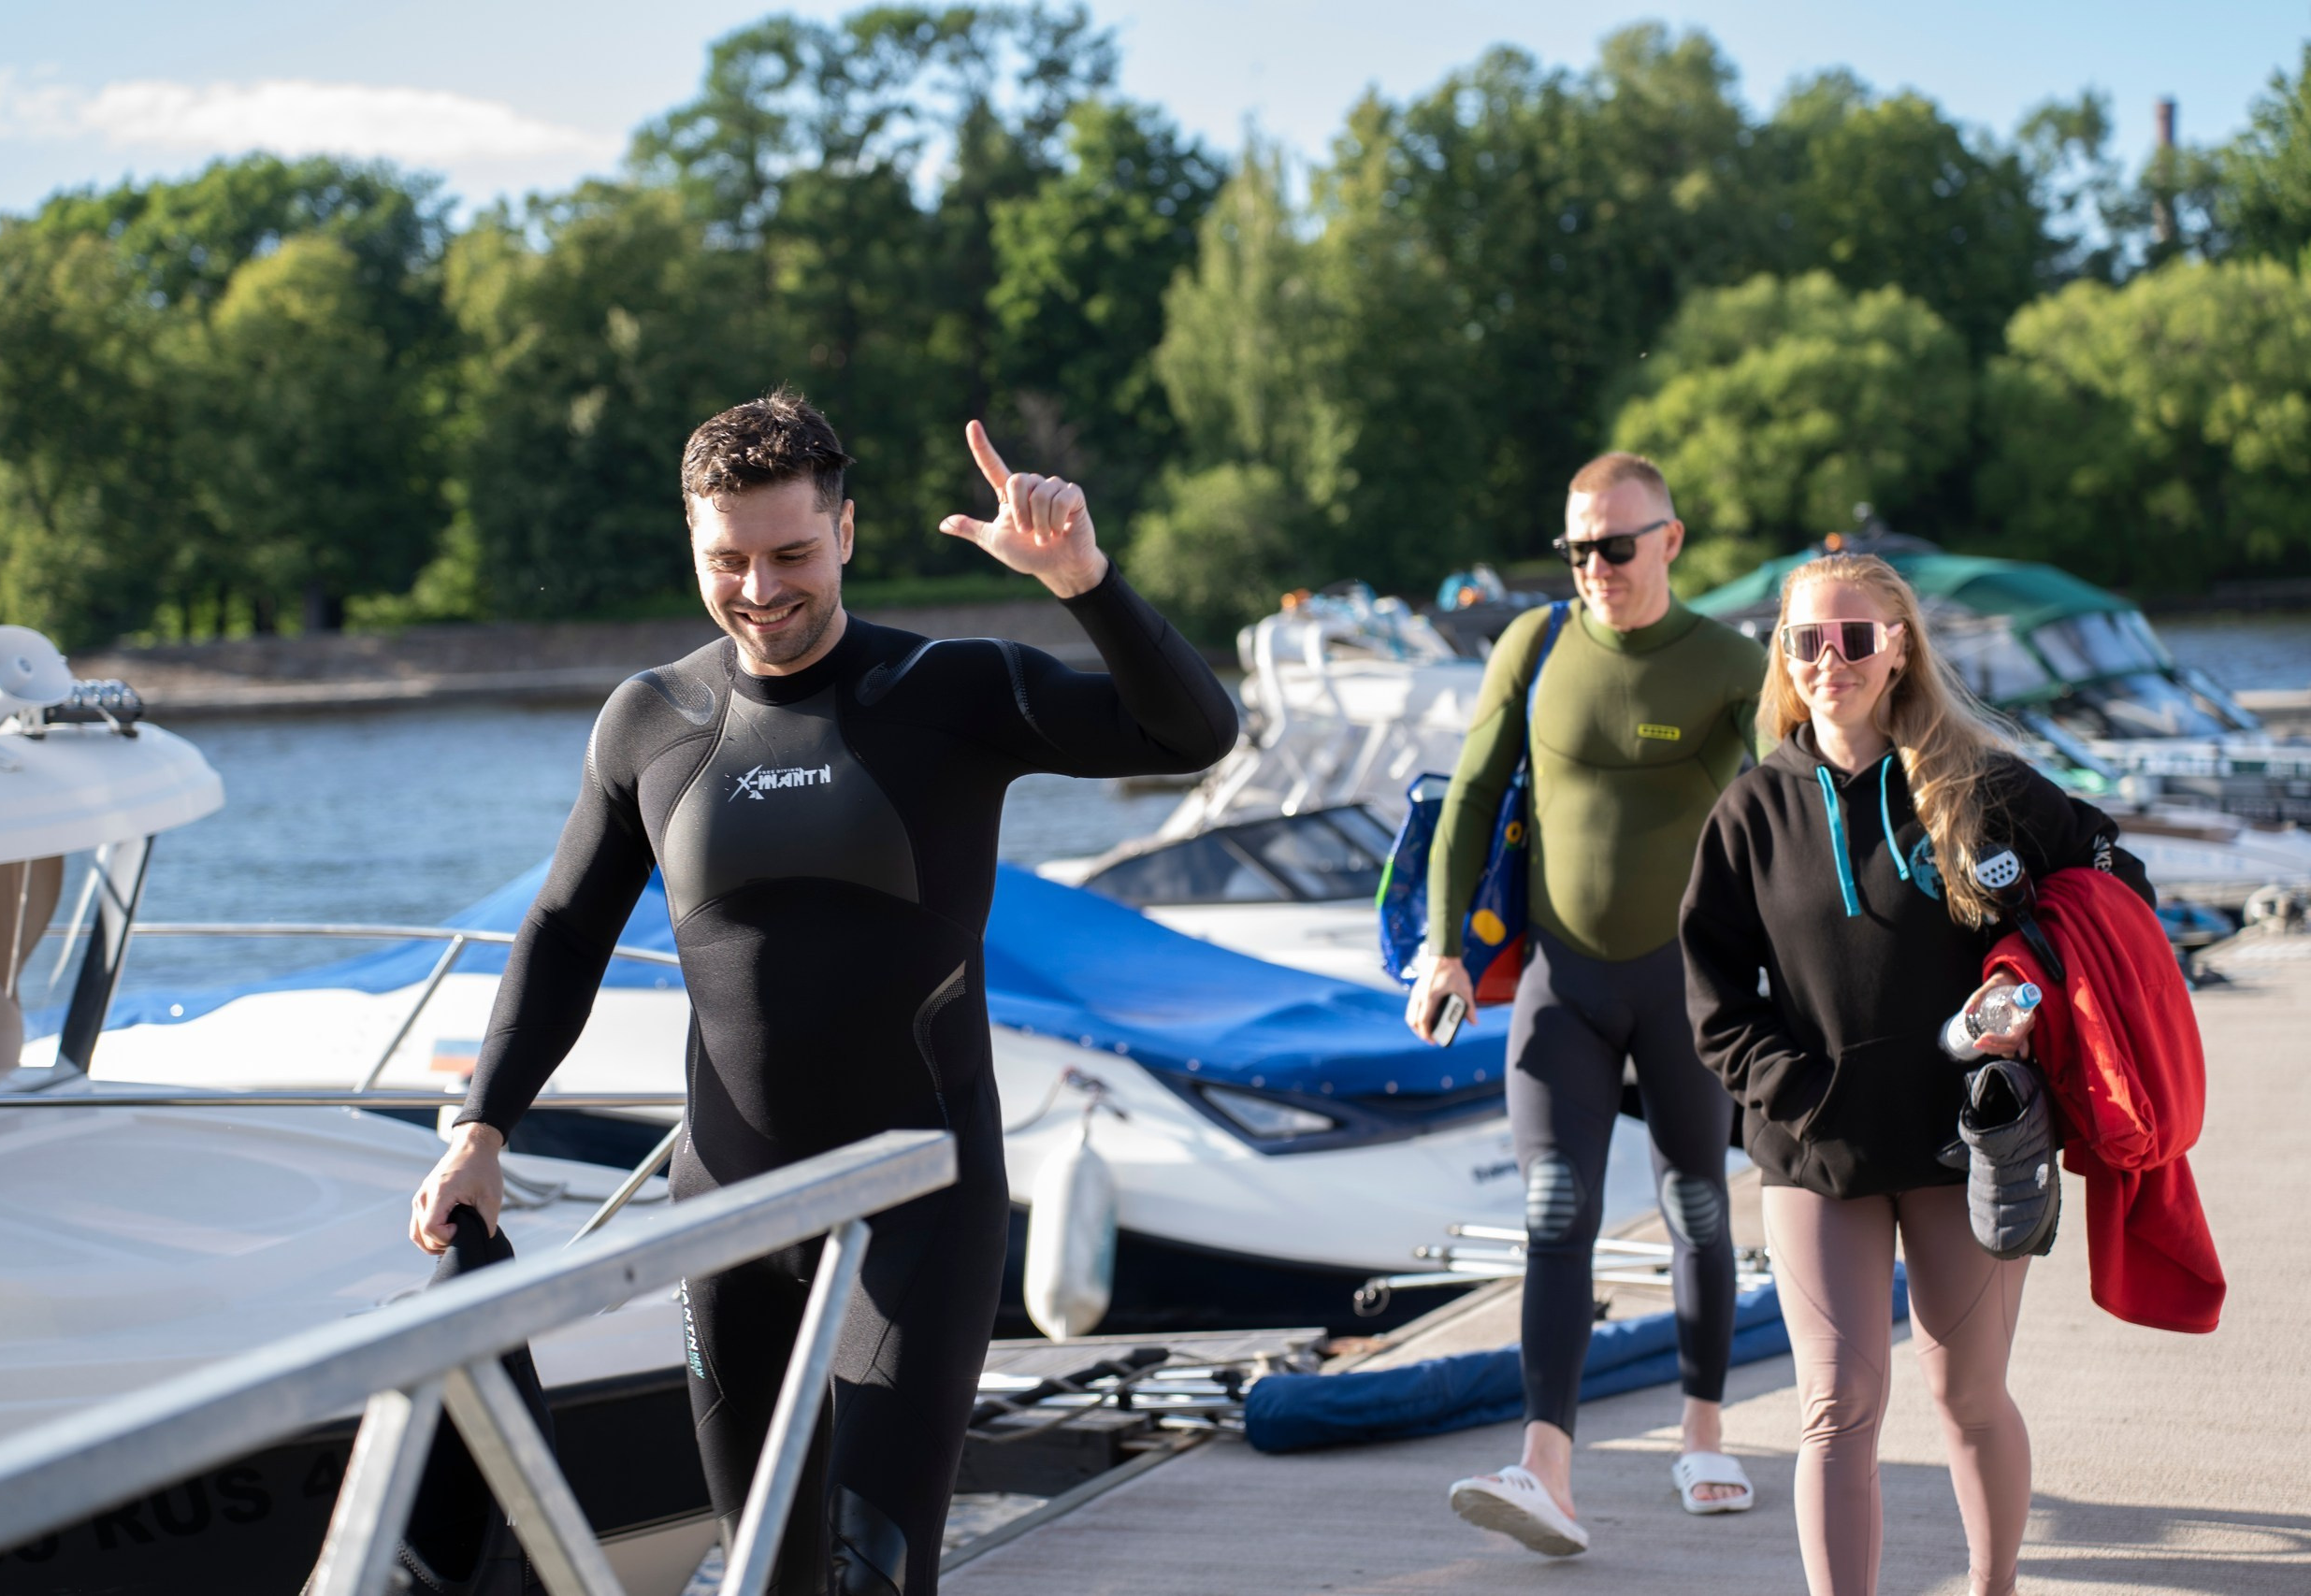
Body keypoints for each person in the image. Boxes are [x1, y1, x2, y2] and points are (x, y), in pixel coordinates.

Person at [406, 390, 1236, 1596]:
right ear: (691, 546)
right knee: (764, 1576)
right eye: (726, 560)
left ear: (845, 532)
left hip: (917, 1202)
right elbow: (565, 927)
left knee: (874, 1570)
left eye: (791, 553)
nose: (759, 589)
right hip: (726, 1213)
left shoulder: (950, 691)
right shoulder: (653, 720)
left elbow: (1191, 735)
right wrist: (481, 1125)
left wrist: (1084, 582)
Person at [1679, 554, 2149, 1596]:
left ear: (1898, 647)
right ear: (1784, 653)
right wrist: (1804, 1094)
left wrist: (2028, 996)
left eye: (1853, 638)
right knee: (1837, 1405)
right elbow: (1713, 1000)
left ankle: (1993, 1588)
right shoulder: (1752, 811)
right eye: (1806, 640)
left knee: (1967, 1397)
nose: (1827, 660)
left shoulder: (1981, 785)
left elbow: (2113, 882)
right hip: (1813, 1149)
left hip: (1966, 1143)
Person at [1409, 453, 1768, 1555]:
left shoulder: (1724, 662)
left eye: (1615, 546)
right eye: (1575, 549)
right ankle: (1545, 1469)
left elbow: (1793, 810)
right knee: (1554, 1208)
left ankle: (1702, 1431)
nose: (1594, 568)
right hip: (1564, 980)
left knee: (1697, 1206)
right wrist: (1445, 951)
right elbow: (1469, 796)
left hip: (1683, 987)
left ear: (1668, 540)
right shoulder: (1536, 642)